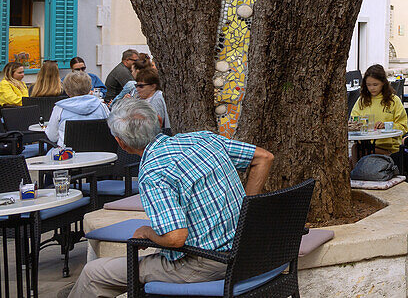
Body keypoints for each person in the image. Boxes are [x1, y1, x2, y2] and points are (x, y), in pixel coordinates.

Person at [68, 98, 274, 298]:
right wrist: (247, 212)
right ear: (158, 120)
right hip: (249, 252)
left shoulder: (153, 173)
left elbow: (175, 238)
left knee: (93, 274)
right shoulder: (203, 138)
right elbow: (264, 157)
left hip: (207, 264)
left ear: (121, 143)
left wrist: (148, 232)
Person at [350, 64, 408, 155]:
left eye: (375, 84)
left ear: (383, 83)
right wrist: (357, 124)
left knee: (359, 152)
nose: (372, 88)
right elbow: (354, 119)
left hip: (387, 147)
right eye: (368, 85)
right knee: (356, 149)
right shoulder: (362, 100)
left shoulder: (393, 100)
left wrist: (386, 125)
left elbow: (403, 126)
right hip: (365, 143)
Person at [45, 70, 110, 147]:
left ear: (67, 90)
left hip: (68, 155)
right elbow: (110, 130)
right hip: (99, 153)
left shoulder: (60, 109)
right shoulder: (102, 106)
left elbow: (52, 137)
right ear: (90, 88)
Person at [134, 66, 171, 130]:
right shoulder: (139, 97)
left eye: (141, 86)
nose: (137, 89)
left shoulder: (157, 98)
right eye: (136, 85)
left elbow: (154, 126)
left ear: (153, 86)